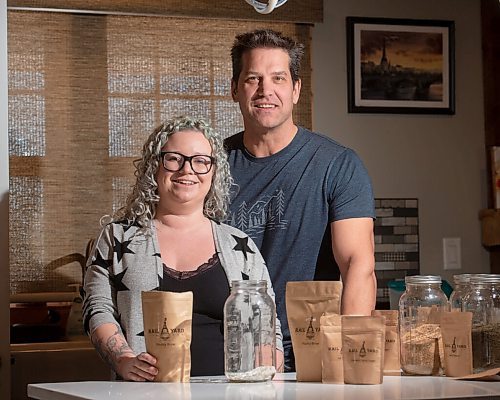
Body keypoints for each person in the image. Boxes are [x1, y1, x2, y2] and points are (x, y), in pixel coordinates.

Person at [83, 116, 283, 381]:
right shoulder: (117, 238)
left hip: (232, 392)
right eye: (174, 158)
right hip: (145, 394)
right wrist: (123, 359)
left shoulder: (240, 246)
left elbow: (269, 325)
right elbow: (98, 308)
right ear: (154, 167)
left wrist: (271, 377)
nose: (187, 170)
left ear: (214, 173)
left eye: (201, 161)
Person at [225, 29, 376, 371]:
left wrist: (347, 354)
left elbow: (358, 265)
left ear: (295, 89)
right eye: (253, 78)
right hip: (228, 349)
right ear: (234, 89)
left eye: (278, 78)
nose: (266, 90)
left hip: (310, 353)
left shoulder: (337, 165)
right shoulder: (209, 166)